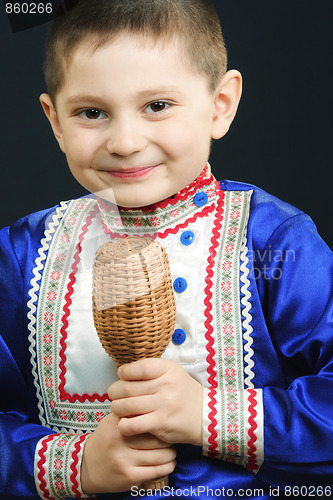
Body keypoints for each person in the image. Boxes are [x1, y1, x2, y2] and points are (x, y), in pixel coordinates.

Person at [1, 0, 333, 498]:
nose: (126, 141)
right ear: (54, 121)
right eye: (91, 112)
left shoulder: (272, 241)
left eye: (157, 105)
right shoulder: (22, 253)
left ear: (220, 104)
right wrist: (76, 464)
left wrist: (209, 417)